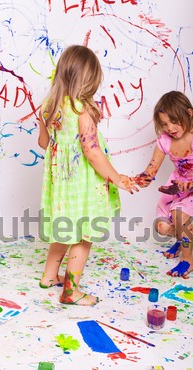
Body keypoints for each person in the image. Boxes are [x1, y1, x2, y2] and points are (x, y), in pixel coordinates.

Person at [38, 44, 138, 306]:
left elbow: (43, 143)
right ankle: (71, 291)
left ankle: (49, 276)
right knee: (84, 234)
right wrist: (116, 177)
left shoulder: (48, 106)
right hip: (82, 185)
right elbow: (92, 153)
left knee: (64, 229)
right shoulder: (82, 111)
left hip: (61, 185)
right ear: (88, 80)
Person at [135, 90, 193, 277]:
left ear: (189, 114)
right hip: (178, 187)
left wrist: (187, 186)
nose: (170, 128)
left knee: (179, 214)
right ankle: (181, 238)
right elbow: (151, 170)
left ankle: (187, 260)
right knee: (161, 227)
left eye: (174, 121)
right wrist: (139, 179)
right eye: (164, 124)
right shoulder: (165, 141)